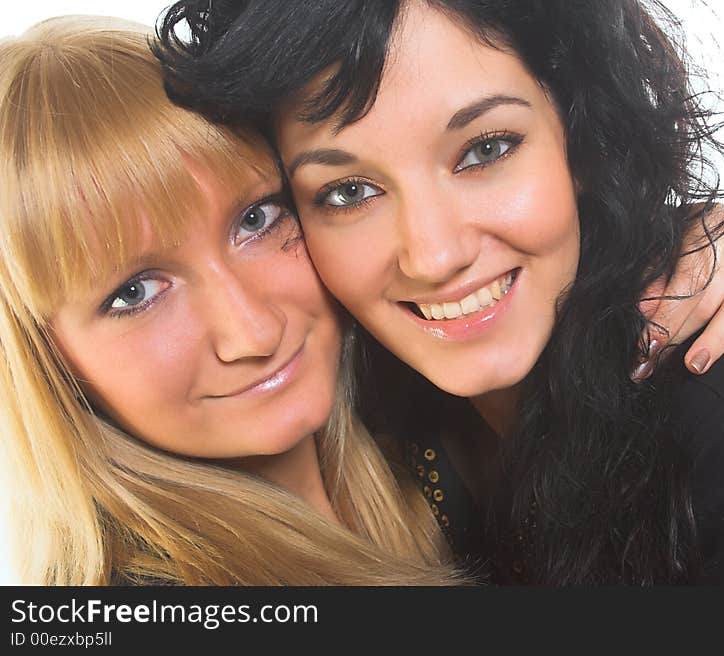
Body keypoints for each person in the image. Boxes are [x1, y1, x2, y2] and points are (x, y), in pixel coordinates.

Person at [154, 0, 724, 584]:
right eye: (348, 192)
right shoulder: (344, 406)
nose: (434, 256)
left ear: (584, 138)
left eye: (486, 149)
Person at [0, 15, 460, 585]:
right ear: (45, 362)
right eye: (135, 293)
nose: (254, 332)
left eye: (256, 219)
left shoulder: (437, 458)